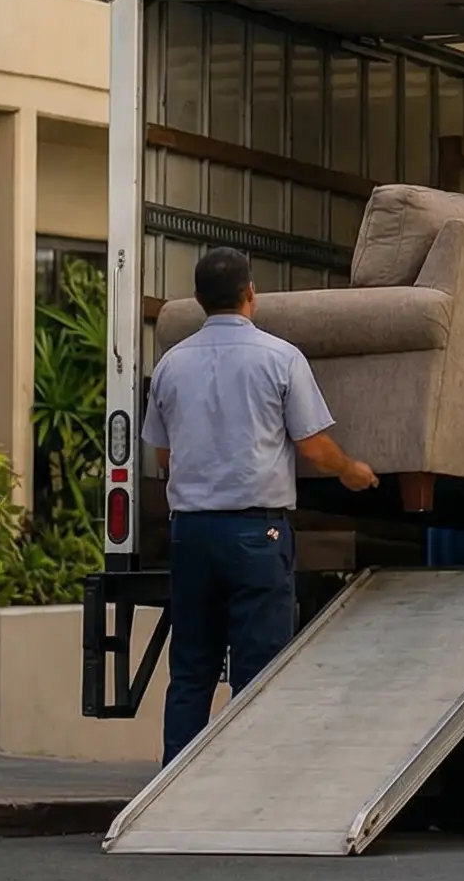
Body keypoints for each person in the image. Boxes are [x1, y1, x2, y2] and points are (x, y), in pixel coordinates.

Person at [143, 246, 379, 763]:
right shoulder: (279, 357)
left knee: (191, 669)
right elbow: (313, 446)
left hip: (192, 535)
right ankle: (245, 781)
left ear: (200, 300)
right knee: (257, 670)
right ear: (251, 294)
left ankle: (173, 789)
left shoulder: (170, 365)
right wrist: (351, 470)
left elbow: (164, 454)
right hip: (255, 533)